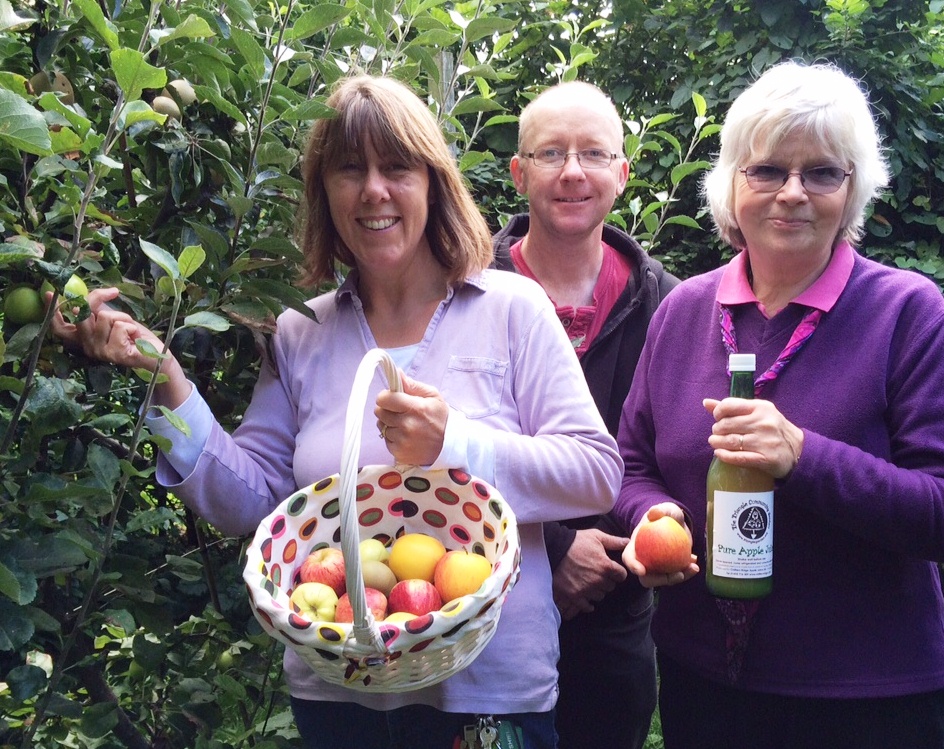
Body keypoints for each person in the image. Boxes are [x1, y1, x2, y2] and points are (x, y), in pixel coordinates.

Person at [50, 74, 623, 749]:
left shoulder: (510, 308)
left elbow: (595, 472)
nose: (374, 190)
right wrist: (165, 378)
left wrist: (456, 443)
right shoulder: (300, 332)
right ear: (325, 192)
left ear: (433, 182)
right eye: (350, 169)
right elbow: (252, 501)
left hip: (487, 692)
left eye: (397, 167)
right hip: (340, 691)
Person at [614, 60, 944, 749]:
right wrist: (654, 515)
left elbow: (935, 512)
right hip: (702, 681)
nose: (791, 192)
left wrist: (802, 455)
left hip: (863, 695)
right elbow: (632, 458)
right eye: (766, 170)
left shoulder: (909, 314)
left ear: (853, 190)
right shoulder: (685, 309)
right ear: (732, 184)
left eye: (822, 171)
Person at [492, 81, 677, 749]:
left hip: (616, 608)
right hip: (485, 597)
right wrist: (556, 547)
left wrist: (633, 548)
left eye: (594, 154)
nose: (573, 172)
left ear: (622, 175)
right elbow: (436, 442)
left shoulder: (670, 307)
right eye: (550, 153)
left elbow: (670, 450)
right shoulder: (463, 289)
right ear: (519, 173)